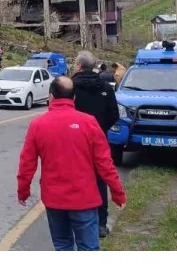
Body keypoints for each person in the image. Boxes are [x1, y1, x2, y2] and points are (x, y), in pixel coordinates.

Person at [17, 76, 126, 251]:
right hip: (85, 198)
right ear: (74, 98)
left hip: (54, 199)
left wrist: (23, 191)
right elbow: (105, 163)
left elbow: (27, 164)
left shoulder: (38, 125)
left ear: (51, 96)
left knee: (62, 245)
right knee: (88, 248)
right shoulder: (89, 122)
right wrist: (117, 193)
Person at [71, 51, 120, 238]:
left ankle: (76, 221)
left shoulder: (70, 87)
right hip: (99, 141)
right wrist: (100, 130)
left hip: (74, 142)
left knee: (75, 179)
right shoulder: (106, 87)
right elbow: (114, 114)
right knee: (100, 180)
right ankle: (100, 224)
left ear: (78, 66)